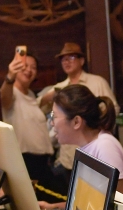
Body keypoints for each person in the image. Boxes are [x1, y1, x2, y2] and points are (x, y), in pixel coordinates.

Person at [38, 43, 118, 172]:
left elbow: (113, 109)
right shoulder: (59, 88)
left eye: (71, 57)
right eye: (63, 59)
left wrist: (92, 120)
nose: (67, 62)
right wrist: (46, 98)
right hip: (68, 157)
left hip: (94, 153)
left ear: (82, 61)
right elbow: (39, 111)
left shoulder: (97, 82)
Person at [47, 84, 123, 202]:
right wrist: (55, 208)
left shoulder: (105, 147)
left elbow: (117, 207)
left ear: (76, 121)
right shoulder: (85, 149)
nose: (52, 123)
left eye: (54, 116)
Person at [0, 51, 55, 190]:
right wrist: (9, 77)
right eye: (24, 66)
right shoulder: (11, 92)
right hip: (26, 161)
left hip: (42, 162)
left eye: (33, 67)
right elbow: (4, 98)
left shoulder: (30, 94)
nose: (29, 70)